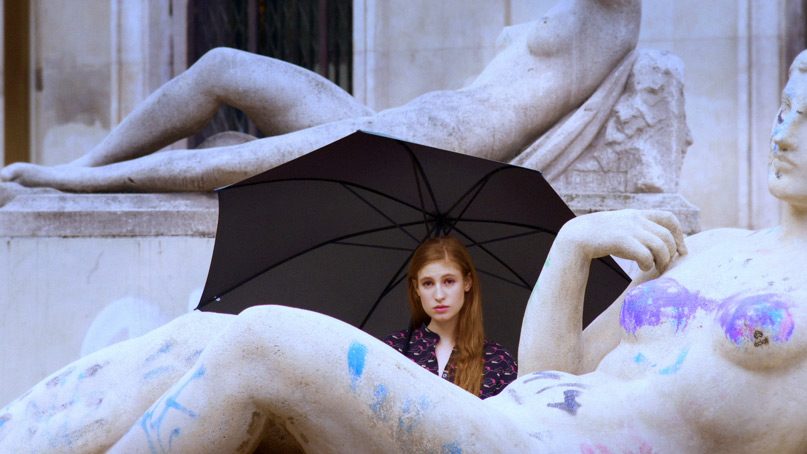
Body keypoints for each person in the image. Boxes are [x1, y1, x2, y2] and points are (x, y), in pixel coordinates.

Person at [4, 49, 807, 452]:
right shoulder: (710, 247)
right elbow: (549, 378)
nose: (781, 134)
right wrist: (570, 249)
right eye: (783, 109)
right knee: (200, 335)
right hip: (511, 427)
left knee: (264, 342)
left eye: (806, 121)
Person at [0, 0, 641, 194]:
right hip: (404, 125)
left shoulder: (612, 17)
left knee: (229, 162)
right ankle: (88, 162)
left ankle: (75, 181)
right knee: (221, 64)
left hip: (422, 156)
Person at [383, 237, 517, 399]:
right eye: (428, 283)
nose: (439, 295)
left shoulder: (499, 361)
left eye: (449, 281)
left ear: (467, 282)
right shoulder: (393, 349)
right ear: (416, 288)